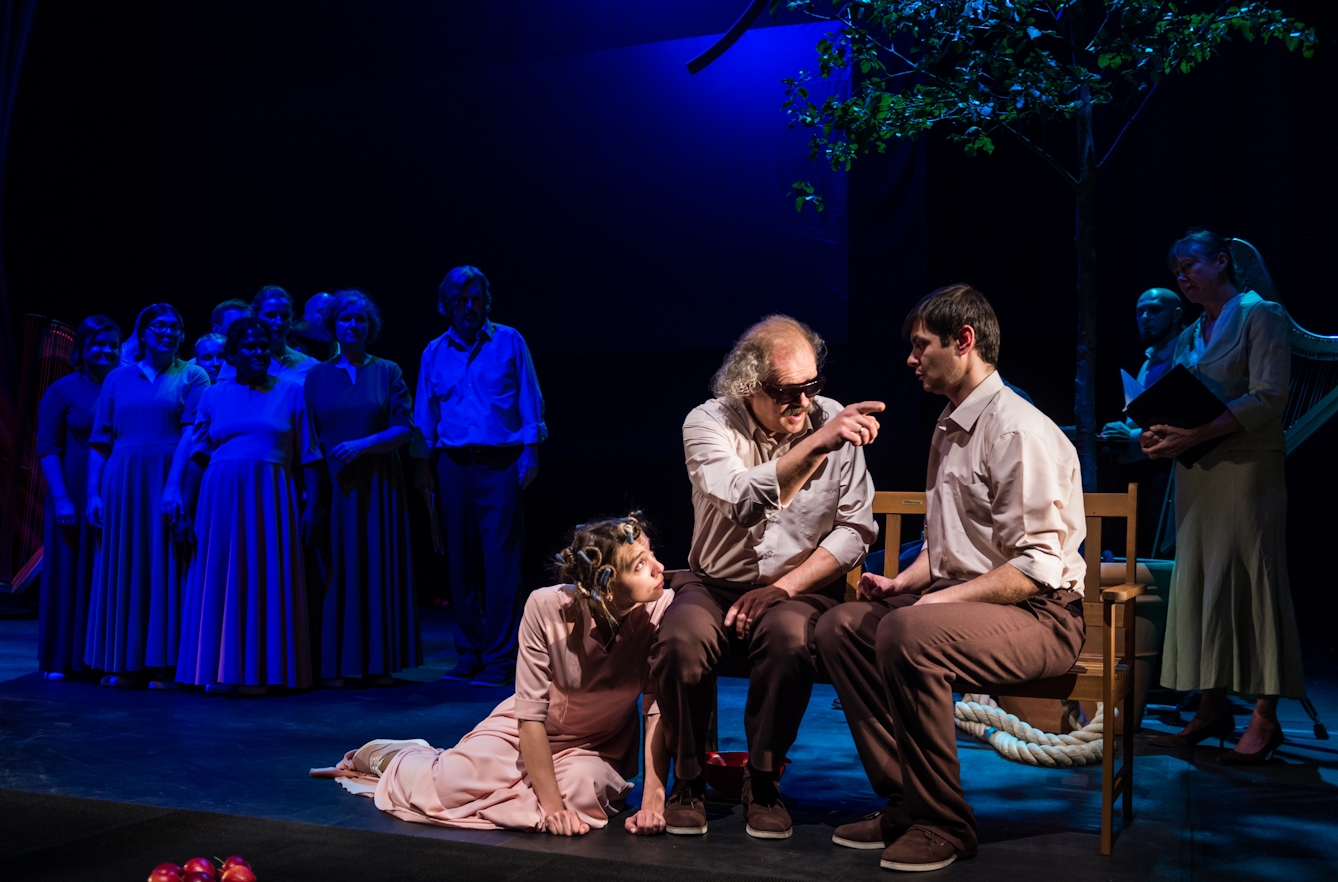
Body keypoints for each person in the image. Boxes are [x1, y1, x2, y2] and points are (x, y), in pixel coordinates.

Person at [816, 284, 1086, 872]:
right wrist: (903, 583)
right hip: (976, 609)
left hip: (1041, 618)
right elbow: (948, 545)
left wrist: (927, 608)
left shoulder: (1016, 430)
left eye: (921, 346)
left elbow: (1036, 567)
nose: (910, 360)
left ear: (963, 342)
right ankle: (907, 802)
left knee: (908, 634)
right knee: (841, 627)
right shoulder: (950, 423)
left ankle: (945, 824)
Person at [653, 315, 879, 840]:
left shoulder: (831, 421)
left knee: (788, 640)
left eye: (811, 387)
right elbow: (741, 500)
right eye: (787, 392)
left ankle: (763, 778)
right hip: (713, 584)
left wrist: (784, 588)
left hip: (795, 588)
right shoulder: (708, 423)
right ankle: (687, 777)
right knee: (680, 641)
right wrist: (817, 445)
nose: (803, 403)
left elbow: (854, 530)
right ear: (748, 386)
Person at [311, 513, 672, 837]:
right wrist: (552, 808)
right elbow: (530, 716)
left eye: (651, 554)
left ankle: (520, 794)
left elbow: (656, 708)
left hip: (595, 745)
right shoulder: (546, 607)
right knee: (450, 782)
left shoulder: (661, 610)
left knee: (581, 788)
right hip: (525, 735)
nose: (658, 568)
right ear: (606, 587)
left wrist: (653, 802)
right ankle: (394, 757)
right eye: (640, 565)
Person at [1142, 229, 1304, 764]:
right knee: (1204, 581)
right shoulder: (1193, 331)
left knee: (1253, 579)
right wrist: (1162, 434)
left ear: (1220, 261)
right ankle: (1211, 706)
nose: (1183, 277)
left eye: (1190, 265)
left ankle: (1264, 716)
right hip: (1199, 471)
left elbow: (1268, 396)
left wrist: (1194, 434)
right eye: (1176, 272)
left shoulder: (1262, 315)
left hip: (1247, 468)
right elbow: (1184, 396)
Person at [169, 318, 322, 695]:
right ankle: (220, 670)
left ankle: (265, 672)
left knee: (267, 578)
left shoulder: (291, 392)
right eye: (248, 347)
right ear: (233, 354)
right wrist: (184, 510)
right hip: (220, 499)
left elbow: (310, 457)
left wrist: (312, 507)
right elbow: (198, 457)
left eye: (262, 346)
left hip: (272, 497)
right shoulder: (213, 395)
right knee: (223, 578)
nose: (257, 352)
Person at [413, 265, 546, 687]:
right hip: (452, 464)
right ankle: (468, 653)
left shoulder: (508, 340)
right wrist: (425, 469)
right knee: (461, 561)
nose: (468, 307)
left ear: (486, 302)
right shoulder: (434, 352)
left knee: (500, 561)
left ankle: (499, 659)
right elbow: (424, 416)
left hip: (500, 462)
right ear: (446, 306)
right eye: (459, 301)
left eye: (475, 299)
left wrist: (530, 450)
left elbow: (529, 397)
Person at [84, 304, 210, 688]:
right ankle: (122, 661)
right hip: (122, 479)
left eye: (174, 327)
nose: (167, 332)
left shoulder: (192, 374)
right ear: (142, 332)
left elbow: (191, 435)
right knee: (124, 564)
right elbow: (100, 441)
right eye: (159, 326)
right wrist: (93, 493)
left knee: (165, 566)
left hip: (167, 472)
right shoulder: (118, 378)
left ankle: (164, 664)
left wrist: (174, 487)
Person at [304, 289, 420, 687]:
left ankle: (377, 663)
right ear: (332, 326)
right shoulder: (317, 376)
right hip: (335, 486)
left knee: (375, 566)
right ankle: (337, 664)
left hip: (378, 486)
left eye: (360, 320)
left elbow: (405, 428)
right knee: (338, 567)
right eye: (345, 319)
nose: (353, 326)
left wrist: (363, 445)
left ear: (370, 327)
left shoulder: (387, 371)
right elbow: (309, 436)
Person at [36, 316, 122, 680]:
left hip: (116, 486)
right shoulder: (62, 390)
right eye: (98, 344)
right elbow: (47, 448)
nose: (106, 351)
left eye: (112, 345)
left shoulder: (125, 386)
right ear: (82, 349)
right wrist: (62, 500)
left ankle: (103, 658)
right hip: (72, 483)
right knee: (69, 571)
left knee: (108, 571)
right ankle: (61, 659)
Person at [1100, 287, 1186, 455]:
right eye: (1140, 312)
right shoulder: (1149, 362)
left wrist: (1129, 435)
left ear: (1176, 315)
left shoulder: (1187, 356)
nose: (1145, 317)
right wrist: (1119, 432)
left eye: (1154, 310)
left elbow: (1182, 420)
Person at [216, 286, 318, 384]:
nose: (279, 322)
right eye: (271, 315)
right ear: (255, 316)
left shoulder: (311, 366)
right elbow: (222, 399)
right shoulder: (236, 362)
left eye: (285, 316)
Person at [291, 291, 338, 360]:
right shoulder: (293, 348)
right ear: (305, 319)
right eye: (322, 311)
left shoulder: (345, 348)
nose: (328, 316)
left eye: (333, 312)